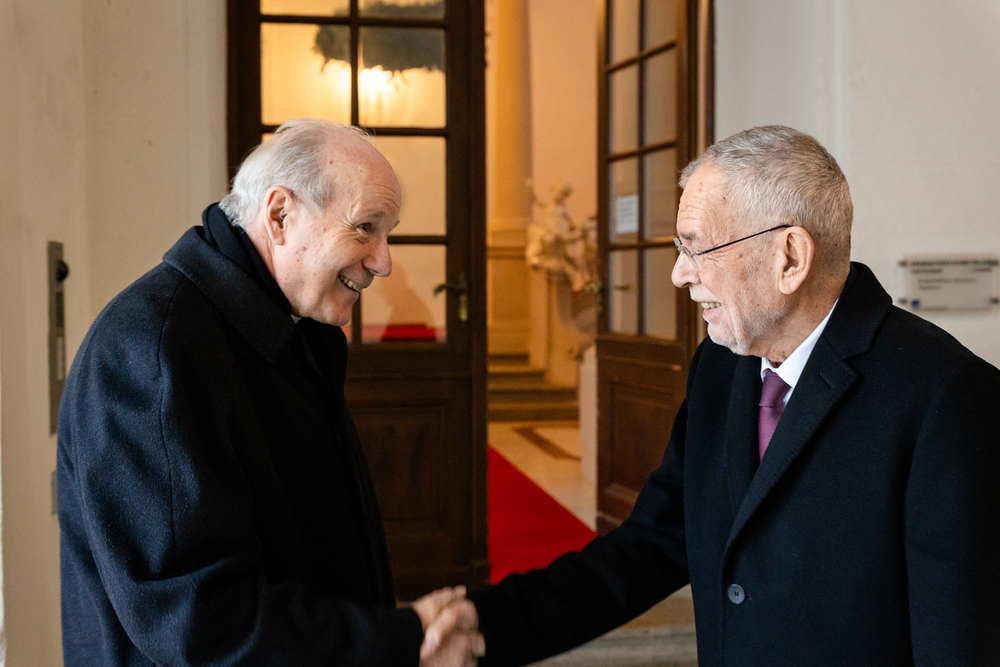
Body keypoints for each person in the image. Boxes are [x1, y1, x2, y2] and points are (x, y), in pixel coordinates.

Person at [426, 125, 1000, 665]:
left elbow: (959, 639)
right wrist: (488, 624)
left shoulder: (948, 397)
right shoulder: (721, 367)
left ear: (789, 257)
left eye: (697, 248)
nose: (680, 274)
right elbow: (652, 544)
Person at [57, 119, 483, 666]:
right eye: (365, 228)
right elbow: (202, 621)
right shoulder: (152, 349)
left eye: (387, 233)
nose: (384, 261)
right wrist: (390, 642)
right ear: (280, 215)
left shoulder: (288, 325)